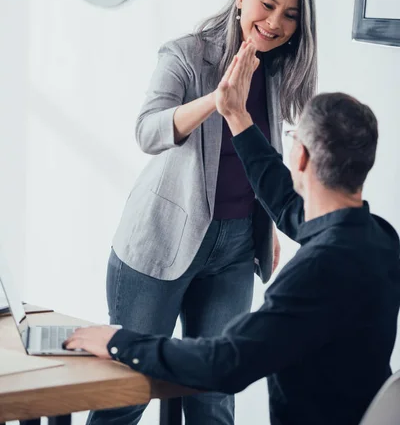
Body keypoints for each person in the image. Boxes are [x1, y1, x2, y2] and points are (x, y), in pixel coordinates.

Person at [65, 44, 400, 425]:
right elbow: (292, 208)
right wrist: (237, 117)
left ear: (302, 157)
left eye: (292, 140)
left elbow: (225, 364)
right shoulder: (381, 240)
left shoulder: (314, 272)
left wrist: (118, 341)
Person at [83, 0, 317, 425]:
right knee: (129, 392)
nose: (275, 23)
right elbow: (148, 132)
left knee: (212, 395)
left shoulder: (276, 70)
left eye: (290, 15)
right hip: (161, 242)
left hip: (233, 250)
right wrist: (219, 99)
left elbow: (263, 159)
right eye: (267, 5)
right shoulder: (187, 55)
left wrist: (262, 221)